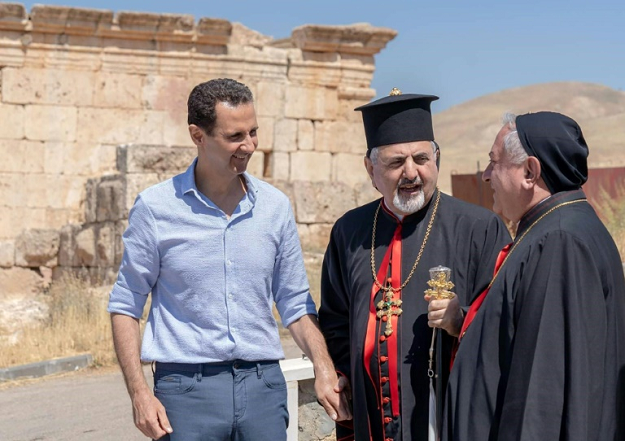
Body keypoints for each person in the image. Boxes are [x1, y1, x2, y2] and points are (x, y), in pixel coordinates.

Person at [107, 78, 350, 441]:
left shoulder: (275, 208)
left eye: (253, 132)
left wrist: (324, 366)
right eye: (235, 136)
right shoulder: (156, 208)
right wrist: (140, 394)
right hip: (186, 392)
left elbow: (295, 302)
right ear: (198, 135)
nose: (249, 145)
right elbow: (126, 304)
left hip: (263, 387)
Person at [318, 88, 511, 440]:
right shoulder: (350, 230)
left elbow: (504, 322)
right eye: (396, 163)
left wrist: (460, 319)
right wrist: (341, 371)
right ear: (370, 168)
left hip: (447, 417)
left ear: (436, 158)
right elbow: (335, 319)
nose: (411, 173)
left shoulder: (479, 228)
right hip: (372, 417)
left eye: (421, 158)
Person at [443, 111, 625, 441]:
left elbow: (545, 394)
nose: (485, 176)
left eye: (493, 163)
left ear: (529, 172)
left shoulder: (559, 242)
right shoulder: (552, 229)